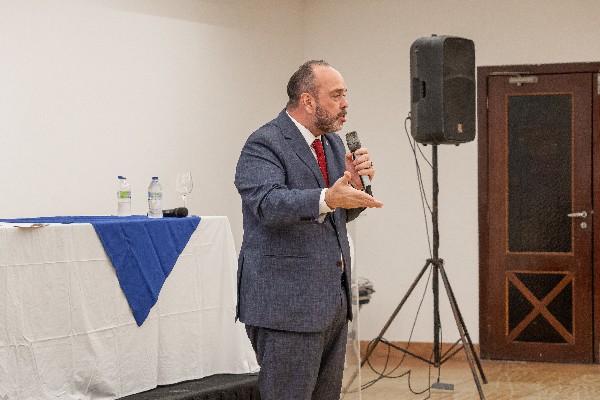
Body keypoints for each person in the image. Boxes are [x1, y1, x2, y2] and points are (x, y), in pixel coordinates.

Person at [234, 60, 383, 400]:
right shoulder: (264, 143)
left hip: (331, 303)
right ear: (308, 101)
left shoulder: (332, 144)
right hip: (286, 306)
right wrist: (328, 196)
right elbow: (267, 204)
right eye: (336, 95)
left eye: (345, 95)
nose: (345, 103)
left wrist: (355, 188)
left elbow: (336, 213)